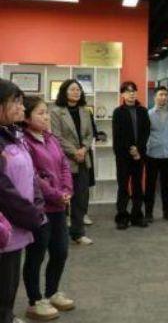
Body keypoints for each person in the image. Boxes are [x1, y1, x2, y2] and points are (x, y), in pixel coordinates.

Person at [22, 97, 75, 320]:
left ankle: (52, 293)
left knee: (60, 251)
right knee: (36, 255)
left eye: (46, 112)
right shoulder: (24, 142)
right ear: (26, 118)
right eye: (40, 113)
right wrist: (56, 194)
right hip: (40, 208)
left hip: (58, 207)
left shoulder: (50, 138)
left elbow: (64, 165)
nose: (46, 117)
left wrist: (67, 190)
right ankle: (35, 301)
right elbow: (33, 177)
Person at [0, 79, 45, 323]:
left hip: (20, 224)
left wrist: (36, 208)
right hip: (6, 226)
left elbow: (31, 175)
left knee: (9, 284)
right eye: (15, 102)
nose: (21, 107)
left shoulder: (13, 134)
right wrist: (31, 215)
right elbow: (4, 191)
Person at [51, 80, 94, 246]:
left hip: (83, 159)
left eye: (79, 89)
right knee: (63, 198)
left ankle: (78, 233)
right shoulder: (56, 112)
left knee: (81, 198)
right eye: (73, 89)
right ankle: (59, 233)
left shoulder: (85, 111)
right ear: (64, 92)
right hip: (65, 161)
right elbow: (56, 136)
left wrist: (83, 149)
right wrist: (74, 152)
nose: (77, 92)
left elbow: (90, 134)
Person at [112, 82, 150, 230]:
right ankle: (122, 217)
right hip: (123, 156)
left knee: (137, 186)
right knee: (123, 186)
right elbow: (118, 135)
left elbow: (146, 132)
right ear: (122, 94)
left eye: (133, 91)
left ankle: (137, 216)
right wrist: (131, 149)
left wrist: (138, 149)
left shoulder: (143, 111)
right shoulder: (118, 112)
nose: (131, 94)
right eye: (128, 91)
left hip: (139, 156)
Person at [145, 86, 168, 223]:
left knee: (166, 186)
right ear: (155, 97)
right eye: (161, 94)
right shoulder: (149, 114)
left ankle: (167, 212)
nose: (164, 97)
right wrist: (152, 144)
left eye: (165, 95)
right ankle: (148, 213)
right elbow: (145, 133)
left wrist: (167, 142)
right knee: (150, 186)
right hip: (152, 154)